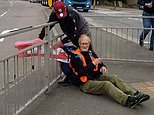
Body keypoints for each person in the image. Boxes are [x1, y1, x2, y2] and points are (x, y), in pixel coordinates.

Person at [69, 34, 150, 108]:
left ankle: (134, 94)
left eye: (86, 43)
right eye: (83, 43)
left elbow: (100, 63)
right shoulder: (75, 56)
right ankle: (127, 100)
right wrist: (93, 64)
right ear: (79, 44)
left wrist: (103, 67)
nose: (85, 45)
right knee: (106, 84)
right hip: (85, 83)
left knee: (114, 78)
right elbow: (81, 72)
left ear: (89, 44)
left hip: (96, 77)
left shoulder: (90, 52)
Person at [38, 1, 92, 83]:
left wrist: (61, 42)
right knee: (75, 55)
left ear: (65, 8)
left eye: (63, 14)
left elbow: (73, 34)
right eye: (59, 16)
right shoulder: (54, 14)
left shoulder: (72, 14)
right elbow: (48, 26)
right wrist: (40, 38)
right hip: (71, 32)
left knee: (86, 52)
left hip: (82, 31)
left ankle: (92, 73)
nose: (62, 17)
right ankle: (73, 75)